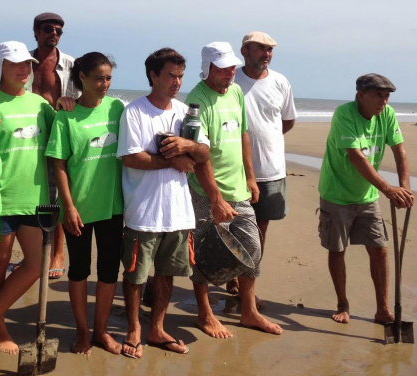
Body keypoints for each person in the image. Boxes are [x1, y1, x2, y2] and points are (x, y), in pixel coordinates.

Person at [116, 48, 212, 358]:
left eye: (181, 76)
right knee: (136, 274)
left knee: (167, 274)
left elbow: (205, 154)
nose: (177, 82)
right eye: (171, 75)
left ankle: (156, 328)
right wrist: (173, 161)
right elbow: (132, 157)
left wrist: (186, 146)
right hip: (143, 210)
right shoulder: (135, 112)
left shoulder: (186, 112)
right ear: (153, 76)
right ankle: (133, 328)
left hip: (178, 210)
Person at [186, 41, 283, 337]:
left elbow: (243, 135)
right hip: (205, 191)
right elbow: (197, 154)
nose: (230, 72)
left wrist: (250, 178)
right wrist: (215, 198)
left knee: (252, 248)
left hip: (238, 188)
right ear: (208, 68)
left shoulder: (237, 92)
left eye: (231, 67)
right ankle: (204, 314)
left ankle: (248, 311)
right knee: (204, 252)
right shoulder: (195, 100)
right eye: (223, 67)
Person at [0, 41, 56, 355]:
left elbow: (62, 137)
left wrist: (66, 104)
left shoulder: (40, 105)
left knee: (36, 264)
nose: (24, 69)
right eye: (15, 64)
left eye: (28, 64)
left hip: (35, 199)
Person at [45, 52, 124, 355]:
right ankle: (82, 331)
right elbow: (59, 164)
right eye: (98, 78)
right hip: (79, 207)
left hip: (113, 206)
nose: (104, 84)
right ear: (82, 78)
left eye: (108, 78)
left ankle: (101, 331)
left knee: (108, 271)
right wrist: (69, 206)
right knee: (78, 270)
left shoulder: (117, 108)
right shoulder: (66, 115)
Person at [318, 73, 413, 324]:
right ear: (360, 95)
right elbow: (356, 156)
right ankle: (342, 304)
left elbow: (399, 149)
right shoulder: (344, 114)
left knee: (379, 249)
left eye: (387, 96)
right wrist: (388, 189)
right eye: (378, 95)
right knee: (337, 249)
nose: (384, 101)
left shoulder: (387, 115)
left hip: (367, 195)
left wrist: (405, 188)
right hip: (337, 194)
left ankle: (382, 309)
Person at [229, 31, 297, 303]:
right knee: (230, 226)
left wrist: (266, 140)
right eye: (260, 49)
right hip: (234, 171)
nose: (266, 54)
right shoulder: (230, 79)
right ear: (244, 51)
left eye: (270, 50)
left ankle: (247, 281)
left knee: (260, 229)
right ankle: (232, 275)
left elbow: (287, 121)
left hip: (271, 171)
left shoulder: (280, 82)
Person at [28, 12, 79, 279]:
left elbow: (86, 100)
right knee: (29, 193)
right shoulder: (22, 62)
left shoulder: (71, 64)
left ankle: (58, 252)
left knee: (57, 195)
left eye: (59, 30)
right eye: (49, 29)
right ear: (36, 31)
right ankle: (32, 252)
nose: (54, 34)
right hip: (25, 136)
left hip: (58, 135)